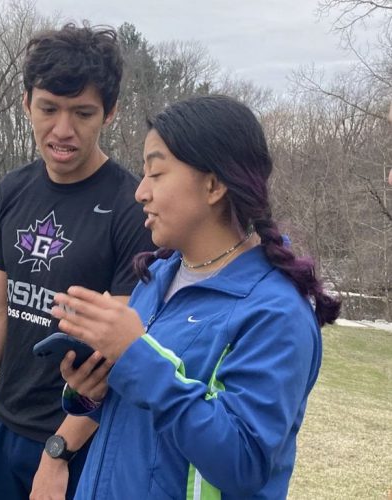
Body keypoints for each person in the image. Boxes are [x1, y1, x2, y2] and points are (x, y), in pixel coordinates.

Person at [52, 95, 341, 498]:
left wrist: (135, 356)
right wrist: (92, 391)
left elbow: (244, 462)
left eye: (155, 173)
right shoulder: (157, 278)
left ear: (214, 184)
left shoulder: (275, 313)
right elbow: (145, 413)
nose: (140, 192)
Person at [0, 23, 153, 499]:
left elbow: (118, 354)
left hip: (78, 438)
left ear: (110, 113)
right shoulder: (12, 189)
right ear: (26, 104)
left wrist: (58, 452)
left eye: (82, 112)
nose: (63, 130)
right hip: (3, 425)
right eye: (48, 109)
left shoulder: (133, 205)